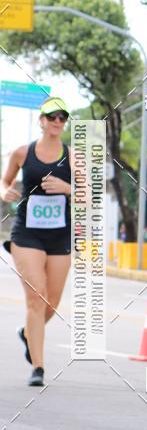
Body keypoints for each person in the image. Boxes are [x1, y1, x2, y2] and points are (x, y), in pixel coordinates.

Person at [0, 97, 73, 387]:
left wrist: (67, 188)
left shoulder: (74, 156)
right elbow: (5, 181)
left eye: (62, 117)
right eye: (51, 117)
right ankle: (38, 368)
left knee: (51, 303)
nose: (57, 122)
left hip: (60, 234)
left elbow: (91, 195)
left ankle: (28, 333)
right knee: (37, 297)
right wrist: (4, 192)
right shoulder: (21, 153)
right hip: (26, 234)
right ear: (41, 121)